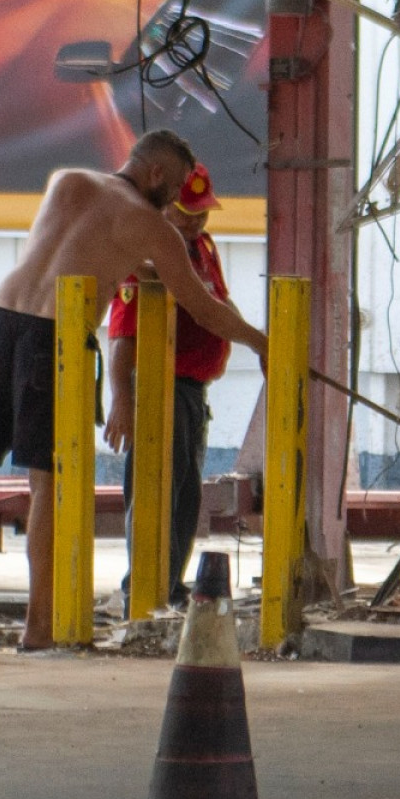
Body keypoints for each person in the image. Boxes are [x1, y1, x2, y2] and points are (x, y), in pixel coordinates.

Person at [0, 130, 268, 652]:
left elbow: (89, 245)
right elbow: (203, 308)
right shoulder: (153, 228)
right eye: (171, 189)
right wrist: (265, 342)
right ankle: (39, 627)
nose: (173, 202)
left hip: (0, 322)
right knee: (49, 485)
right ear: (155, 174)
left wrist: (143, 268)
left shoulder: (67, 181)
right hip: (54, 338)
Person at [104, 161, 234, 612]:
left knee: (185, 494)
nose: (195, 220)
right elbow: (123, 333)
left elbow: (217, 303)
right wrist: (122, 398)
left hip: (193, 391)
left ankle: (170, 588)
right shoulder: (150, 257)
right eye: (185, 211)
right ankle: (142, 590)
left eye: (201, 211)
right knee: (155, 491)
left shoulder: (202, 248)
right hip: (161, 387)